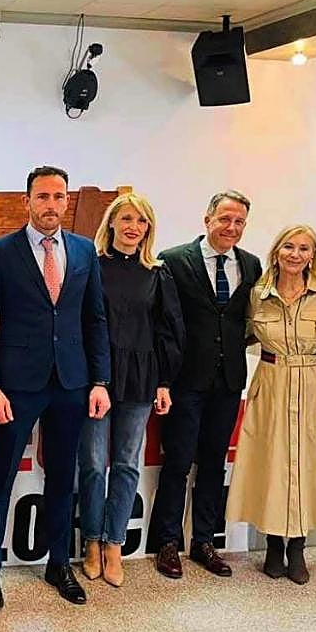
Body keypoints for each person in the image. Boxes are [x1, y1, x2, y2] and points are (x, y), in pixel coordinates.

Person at [0, 166, 111, 611]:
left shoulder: (85, 251)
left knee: (62, 475)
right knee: (1, 475)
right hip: (17, 385)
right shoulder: (0, 252)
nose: (51, 204)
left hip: (71, 382)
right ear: (28, 201)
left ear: (66, 201)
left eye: (59, 196)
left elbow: (95, 320)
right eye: (43, 196)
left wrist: (100, 380)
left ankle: (58, 563)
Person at [149, 190, 261, 580]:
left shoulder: (251, 264)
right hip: (185, 379)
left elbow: (244, 320)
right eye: (224, 219)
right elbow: (163, 322)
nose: (231, 228)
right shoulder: (174, 260)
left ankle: (204, 542)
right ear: (207, 219)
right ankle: (166, 541)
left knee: (214, 462)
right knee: (178, 461)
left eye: (239, 222)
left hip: (228, 381)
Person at [226, 225, 316, 584]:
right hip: (271, 383)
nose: (296, 254)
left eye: (304, 249)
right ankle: (274, 545)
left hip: (312, 385)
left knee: (307, 463)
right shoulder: (257, 294)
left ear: (313, 255)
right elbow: (237, 334)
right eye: (289, 247)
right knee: (273, 462)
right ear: (277, 251)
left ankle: (298, 548)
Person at [76, 193, 182, 588]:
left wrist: (165, 381)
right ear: (112, 223)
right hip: (97, 378)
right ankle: (90, 540)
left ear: (148, 228)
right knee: (91, 462)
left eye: (140, 220)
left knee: (125, 463)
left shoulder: (158, 272)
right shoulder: (92, 267)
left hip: (140, 377)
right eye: (126, 219)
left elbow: (169, 331)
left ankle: (114, 543)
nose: (132, 226)